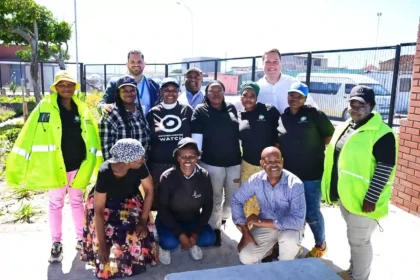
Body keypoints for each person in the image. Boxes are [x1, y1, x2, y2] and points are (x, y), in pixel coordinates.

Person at [6, 70, 101, 263]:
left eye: (70, 84)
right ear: (55, 87)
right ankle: (56, 243)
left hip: (79, 165)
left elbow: (93, 138)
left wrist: (96, 164)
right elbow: (27, 135)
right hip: (55, 166)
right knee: (55, 203)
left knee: (77, 202)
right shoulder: (44, 108)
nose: (66, 88)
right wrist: (18, 165)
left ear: (75, 87)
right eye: (62, 84)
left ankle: (82, 239)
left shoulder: (82, 109)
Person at [322, 85, 396, 280]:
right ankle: (353, 271)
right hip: (348, 196)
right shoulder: (347, 125)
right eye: (352, 103)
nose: (355, 108)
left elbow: (385, 167)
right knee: (354, 239)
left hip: (365, 199)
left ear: (371, 106)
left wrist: (371, 198)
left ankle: (359, 277)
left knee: (359, 241)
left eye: (360, 105)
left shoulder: (382, 133)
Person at [81, 138, 158, 279]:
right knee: (104, 239)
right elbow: (98, 209)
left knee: (133, 232)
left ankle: (134, 262)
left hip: (129, 199)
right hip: (104, 202)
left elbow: (149, 190)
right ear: (126, 160)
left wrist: (142, 220)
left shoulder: (139, 165)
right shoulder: (105, 171)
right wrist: (102, 245)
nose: (143, 159)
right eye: (139, 157)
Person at [277, 81, 334, 258]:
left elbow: (329, 135)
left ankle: (320, 244)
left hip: (311, 174)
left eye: (299, 96)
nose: (294, 99)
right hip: (289, 175)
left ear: (305, 98)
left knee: (311, 212)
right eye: (291, 95)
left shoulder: (314, 115)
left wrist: (312, 150)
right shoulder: (283, 117)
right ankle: (295, 244)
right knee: (292, 211)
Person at [232, 147, 306, 264]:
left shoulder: (295, 184)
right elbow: (237, 200)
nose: (274, 165)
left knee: (288, 250)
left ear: (282, 161)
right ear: (262, 163)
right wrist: (245, 232)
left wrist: (260, 221)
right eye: (269, 162)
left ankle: (289, 257)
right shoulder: (256, 180)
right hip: (266, 227)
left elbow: (297, 222)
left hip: (289, 228)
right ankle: (269, 250)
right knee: (246, 257)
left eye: (277, 161)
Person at [191, 80, 241, 246]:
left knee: (233, 199)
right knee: (215, 197)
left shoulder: (231, 108)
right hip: (212, 163)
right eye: (211, 91)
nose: (215, 94)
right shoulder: (200, 110)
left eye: (219, 90)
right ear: (206, 94)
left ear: (224, 91)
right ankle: (215, 229)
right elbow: (197, 136)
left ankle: (224, 218)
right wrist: (196, 157)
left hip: (234, 161)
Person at [156, 137, 215, 265]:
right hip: (170, 220)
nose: (187, 160)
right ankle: (165, 247)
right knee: (170, 242)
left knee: (209, 239)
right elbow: (162, 209)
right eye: (183, 156)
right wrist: (180, 234)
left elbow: (208, 205)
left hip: (192, 218)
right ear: (178, 158)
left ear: (197, 157)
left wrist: (196, 233)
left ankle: (191, 241)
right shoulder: (167, 177)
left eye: (192, 156)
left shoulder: (204, 175)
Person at [146, 77, 193, 209]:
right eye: (167, 90)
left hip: (181, 163)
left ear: (179, 92)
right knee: (160, 199)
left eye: (174, 90)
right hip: (158, 164)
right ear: (161, 92)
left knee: (180, 198)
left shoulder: (187, 110)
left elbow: (194, 136)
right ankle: (160, 226)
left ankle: (178, 227)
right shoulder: (153, 113)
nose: (170, 93)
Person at [238, 81, 280, 218]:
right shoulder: (241, 116)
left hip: (268, 165)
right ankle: (250, 234)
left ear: (257, 97)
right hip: (248, 165)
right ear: (241, 97)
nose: (248, 98)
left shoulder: (269, 110)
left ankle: (269, 236)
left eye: (252, 95)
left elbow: (280, 134)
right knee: (249, 200)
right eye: (245, 95)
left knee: (269, 199)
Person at [99, 75, 151, 161]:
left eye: (132, 90)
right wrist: (115, 169)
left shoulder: (139, 110)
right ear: (118, 93)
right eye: (124, 91)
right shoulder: (111, 114)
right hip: (122, 168)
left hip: (142, 165)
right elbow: (106, 147)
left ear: (136, 92)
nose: (129, 93)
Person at [98, 50, 160, 115]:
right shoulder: (115, 84)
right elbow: (102, 104)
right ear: (127, 64)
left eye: (139, 62)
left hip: (148, 124)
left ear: (144, 64)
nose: (136, 64)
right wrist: (103, 107)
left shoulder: (154, 85)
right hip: (123, 124)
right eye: (132, 62)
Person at [257, 48, 317, 113]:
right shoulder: (257, 88)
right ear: (263, 64)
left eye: (275, 61)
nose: (272, 65)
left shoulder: (293, 83)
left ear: (280, 63)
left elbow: (313, 108)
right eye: (267, 62)